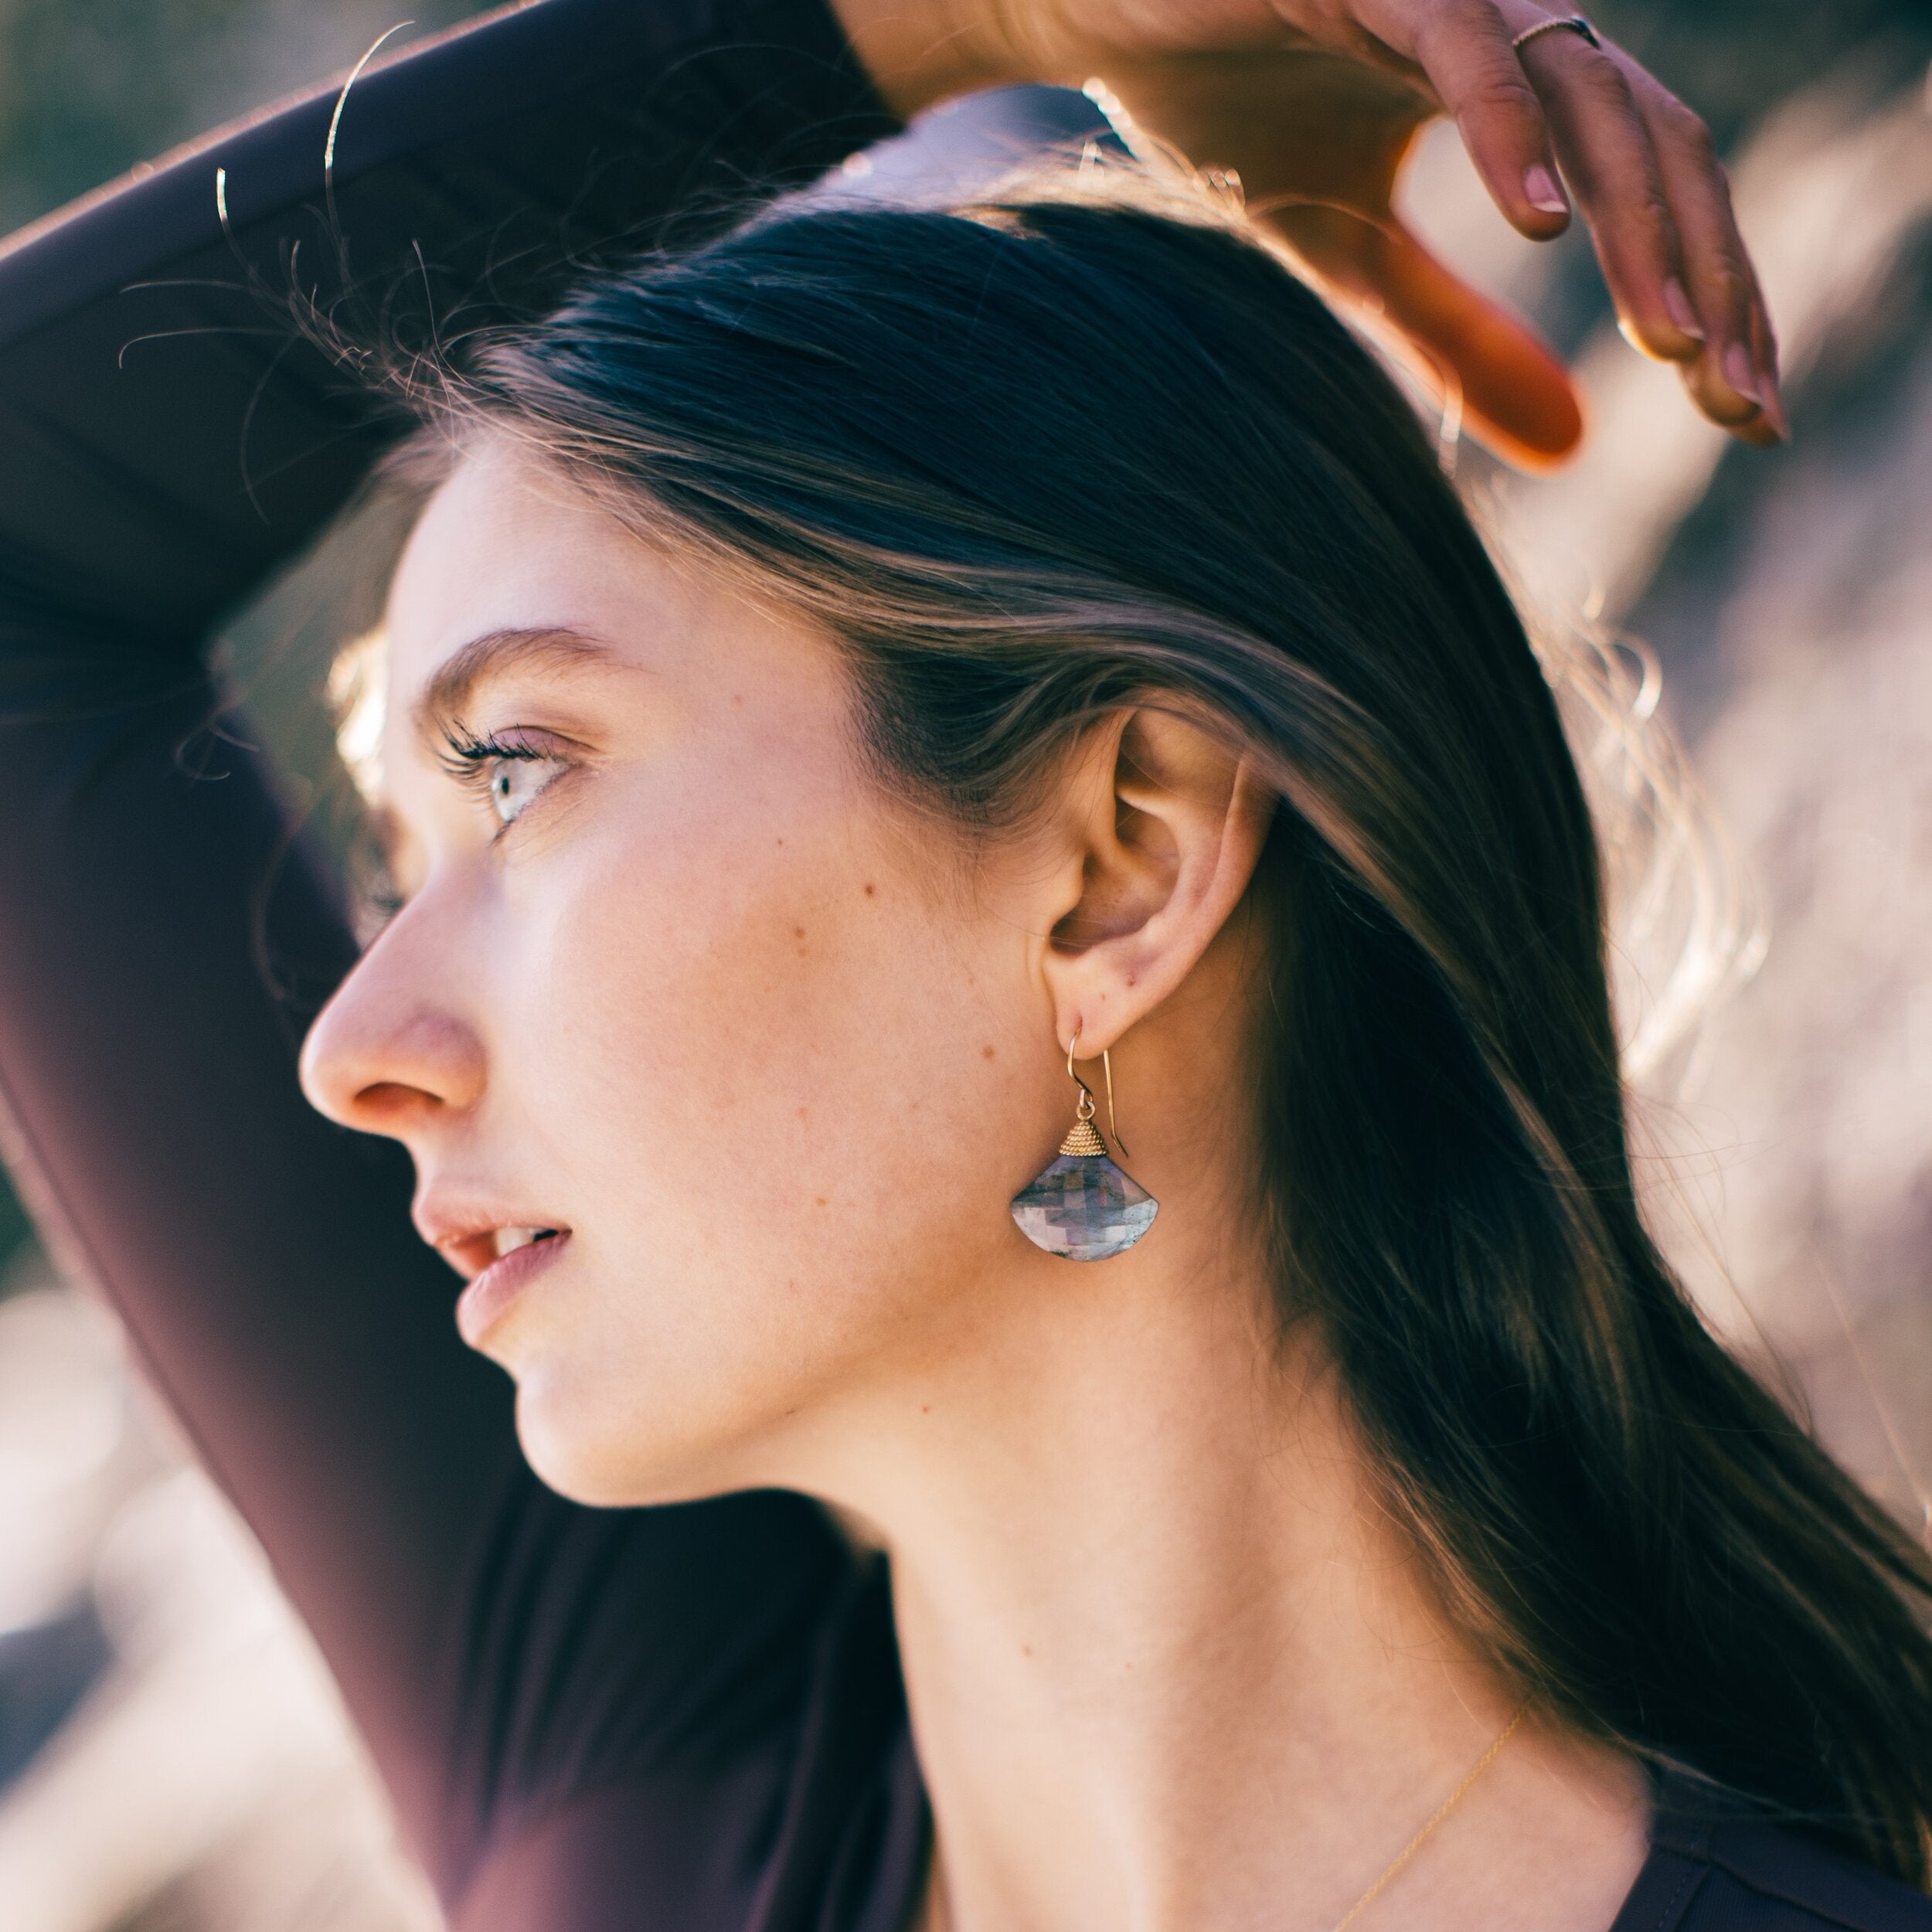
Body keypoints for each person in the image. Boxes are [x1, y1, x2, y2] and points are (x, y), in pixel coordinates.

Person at [0, 3, 1922, 1930]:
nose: (352, 1043)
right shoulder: (633, 1800)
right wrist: (959, 22)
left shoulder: (634, 1803)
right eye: (393, 863)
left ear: (1116, 865)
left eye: (516, 774)